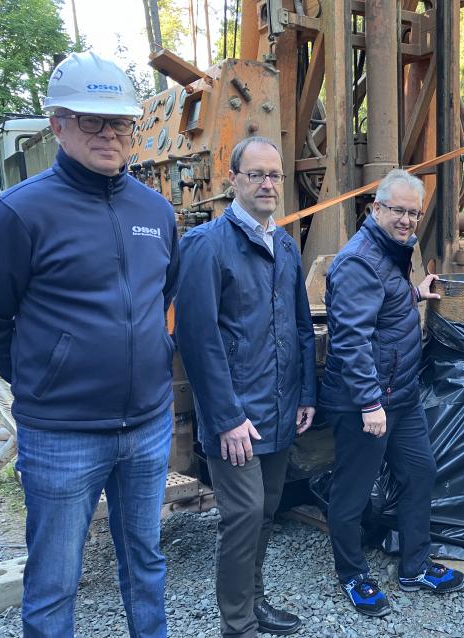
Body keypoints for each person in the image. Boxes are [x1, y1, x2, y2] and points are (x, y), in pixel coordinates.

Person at [0, 52, 179, 637]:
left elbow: (163, 295)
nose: (109, 134)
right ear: (58, 123)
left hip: (146, 428)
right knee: (55, 580)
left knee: (146, 564)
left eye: (120, 122)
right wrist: (44, 374)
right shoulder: (18, 213)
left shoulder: (155, 212)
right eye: (92, 120)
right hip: (61, 434)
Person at [175, 137, 316, 637]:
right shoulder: (206, 245)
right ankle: (238, 625)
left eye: (274, 175)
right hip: (236, 416)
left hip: (279, 407)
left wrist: (306, 394)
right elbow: (197, 339)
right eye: (255, 174)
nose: (268, 184)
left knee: (266, 511)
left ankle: (255, 603)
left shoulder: (283, 245)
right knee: (243, 515)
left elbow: (300, 326)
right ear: (232, 179)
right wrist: (226, 418)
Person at [320, 169, 464, 618]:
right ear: (376, 209)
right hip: (366, 402)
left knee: (420, 472)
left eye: (413, 213)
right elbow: (350, 339)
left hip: (399, 396)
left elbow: (381, 307)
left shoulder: (391, 254)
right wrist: (368, 402)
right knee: (353, 491)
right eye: (398, 210)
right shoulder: (359, 261)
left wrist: (413, 294)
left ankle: (414, 566)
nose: (406, 220)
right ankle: (353, 574)